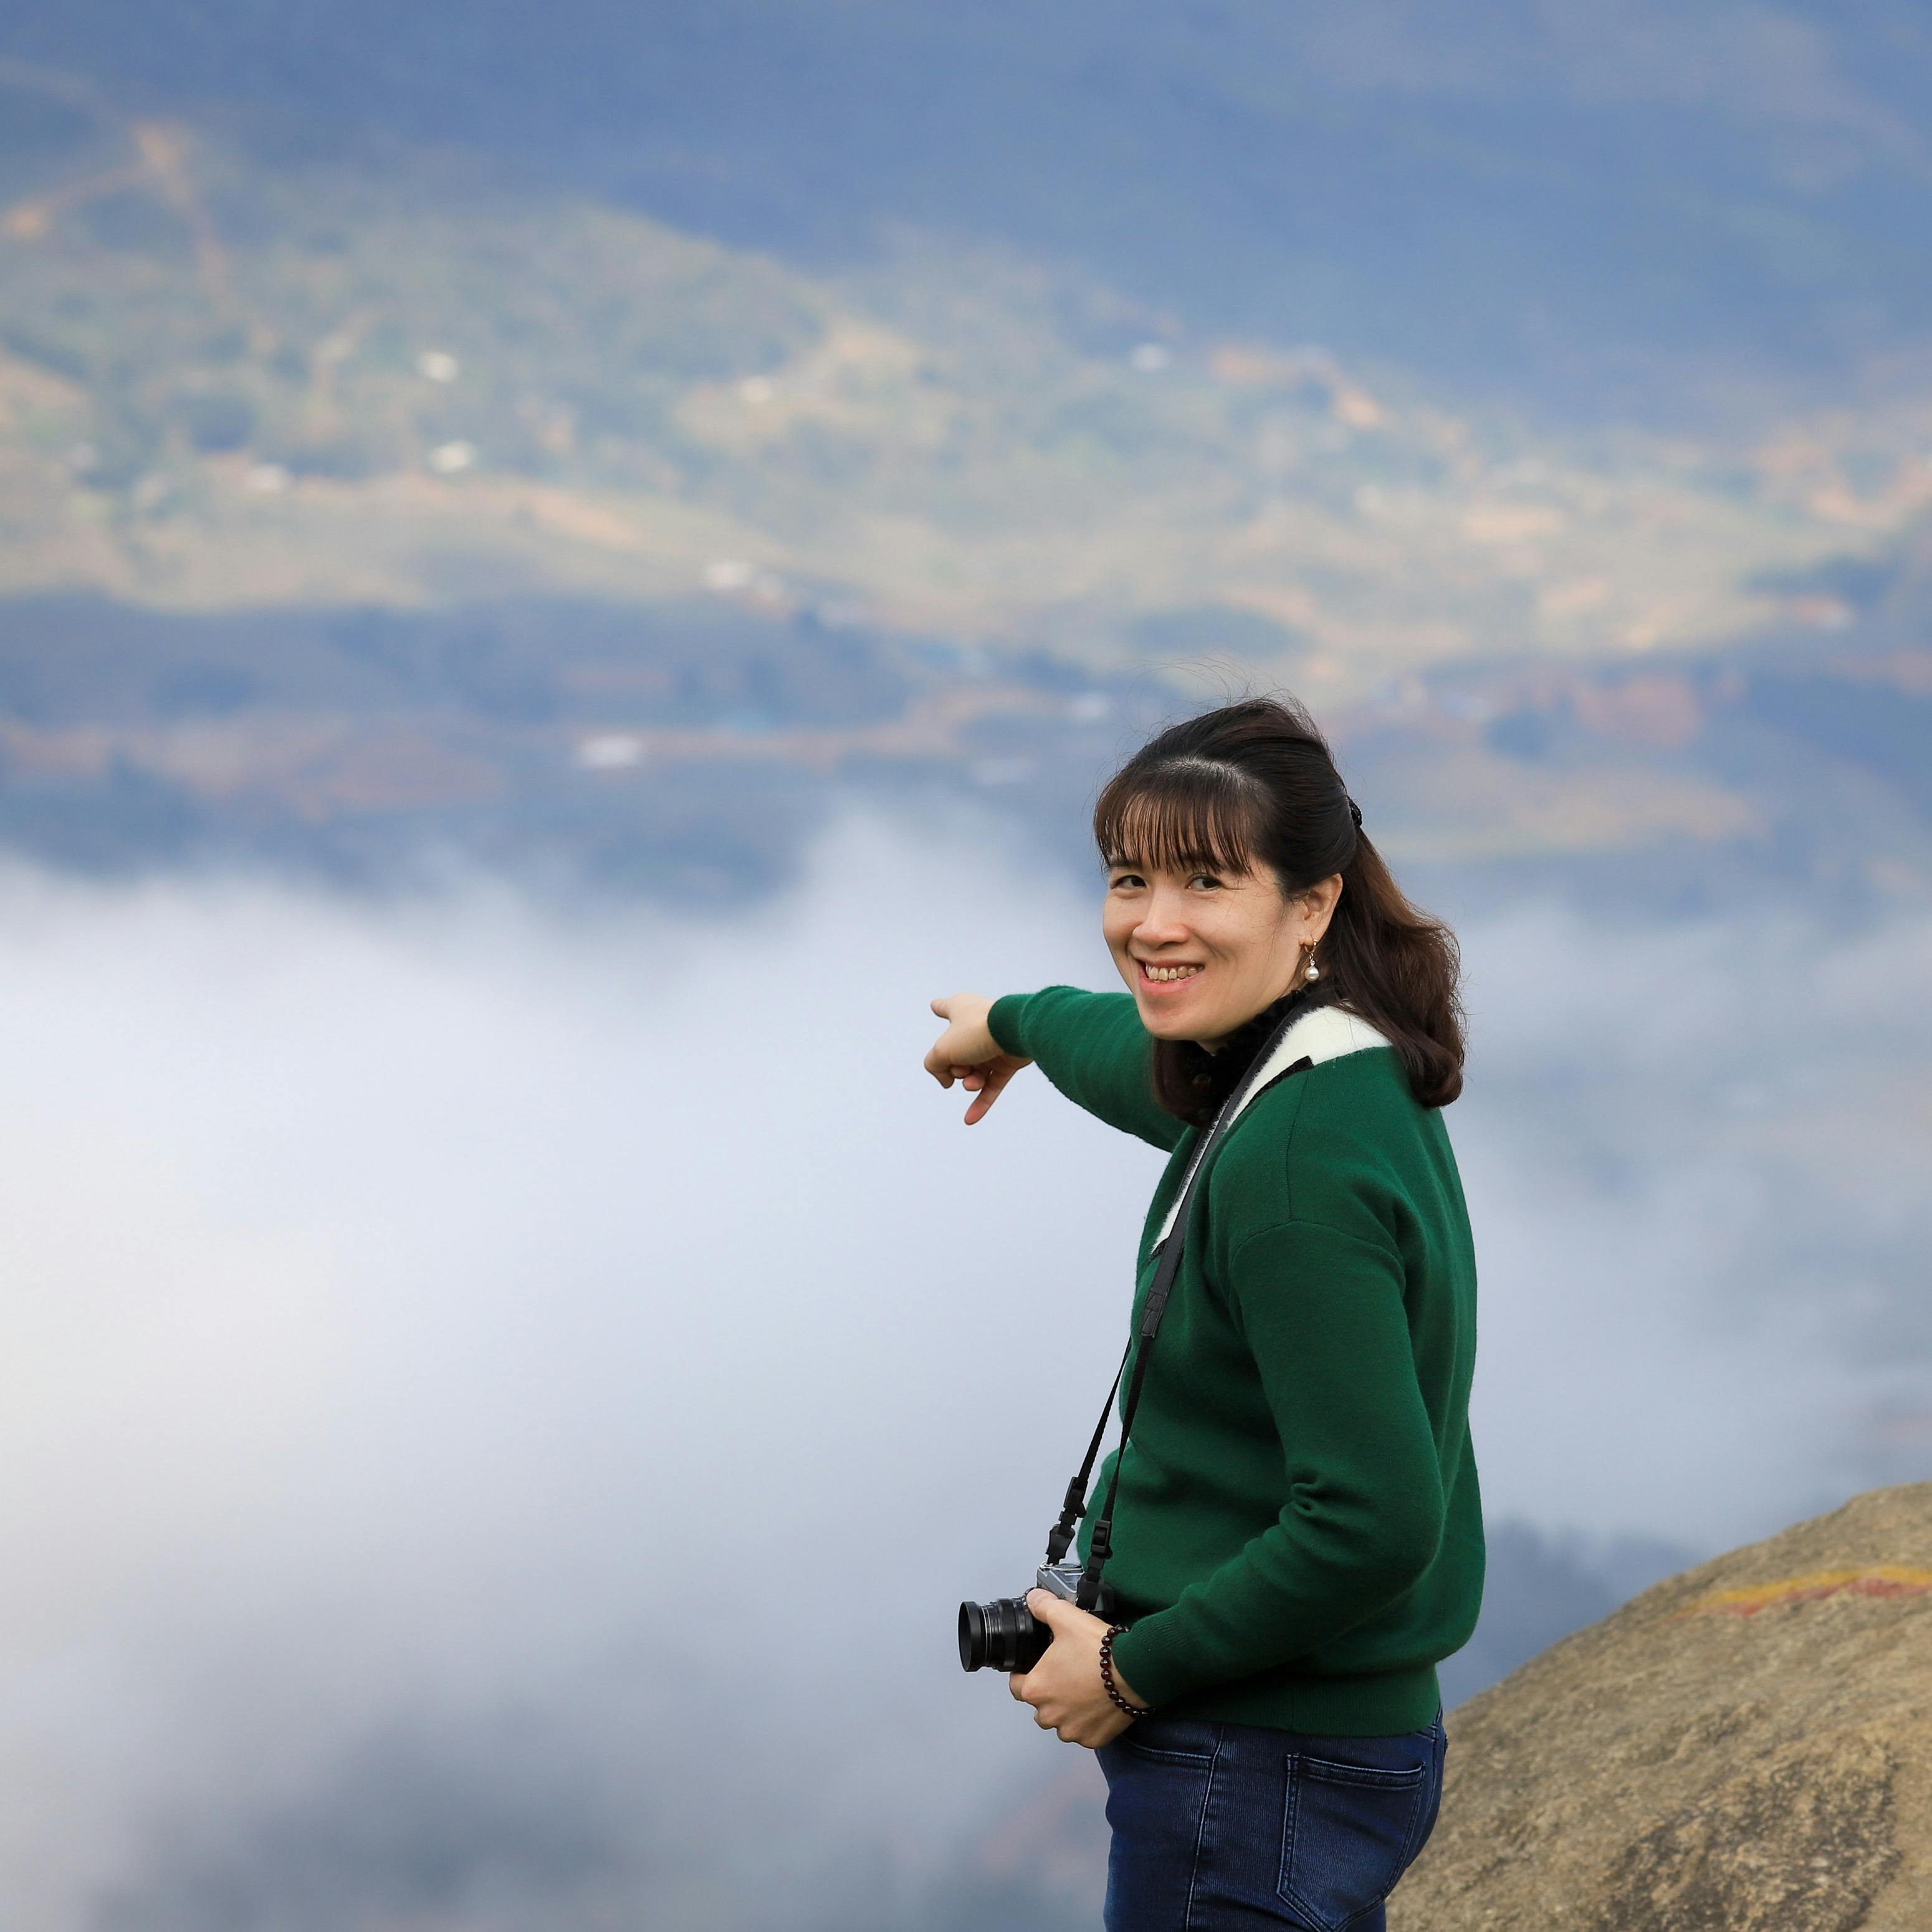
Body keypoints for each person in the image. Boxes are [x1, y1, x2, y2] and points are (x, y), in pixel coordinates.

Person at [922, 696, 1483, 1932]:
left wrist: (1125, 1672)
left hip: (1255, 1757)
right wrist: (1011, 1024)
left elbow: (1375, 1519)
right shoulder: (1336, 1060)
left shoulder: (1288, 1175)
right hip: (1319, 1740)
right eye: (1129, 877)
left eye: (1204, 881)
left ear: (1312, 902)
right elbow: (1146, 1062)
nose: (1151, 923)